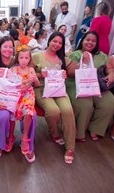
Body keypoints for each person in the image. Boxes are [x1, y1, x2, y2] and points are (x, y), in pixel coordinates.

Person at [32, 32, 76, 164]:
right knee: (53, 111)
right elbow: (28, 72)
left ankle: (70, 147)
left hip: (59, 89)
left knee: (68, 111)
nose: (57, 44)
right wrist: (40, 75)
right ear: (49, 41)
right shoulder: (36, 56)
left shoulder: (63, 58)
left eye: (60, 43)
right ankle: (55, 132)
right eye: (54, 41)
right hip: (41, 88)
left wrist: (66, 74)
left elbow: (74, 70)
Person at [66, 31, 114, 142]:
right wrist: (83, 63)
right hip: (76, 83)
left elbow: (109, 68)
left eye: (93, 41)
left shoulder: (101, 55)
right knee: (84, 104)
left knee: (109, 102)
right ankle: (79, 131)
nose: (90, 42)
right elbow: (69, 72)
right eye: (88, 39)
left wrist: (111, 74)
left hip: (96, 84)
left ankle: (96, 128)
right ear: (82, 41)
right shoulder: (75, 54)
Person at [10, 46, 40, 162]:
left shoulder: (31, 70)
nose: (23, 60)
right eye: (21, 57)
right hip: (16, 94)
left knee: (28, 112)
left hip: (28, 94)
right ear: (17, 58)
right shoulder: (14, 69)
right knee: (12, 111)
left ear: (29, 59)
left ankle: (25, 136)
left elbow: (37, 84)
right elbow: (12, 84)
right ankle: (11, 135)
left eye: (26, 58)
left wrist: (34, 79)